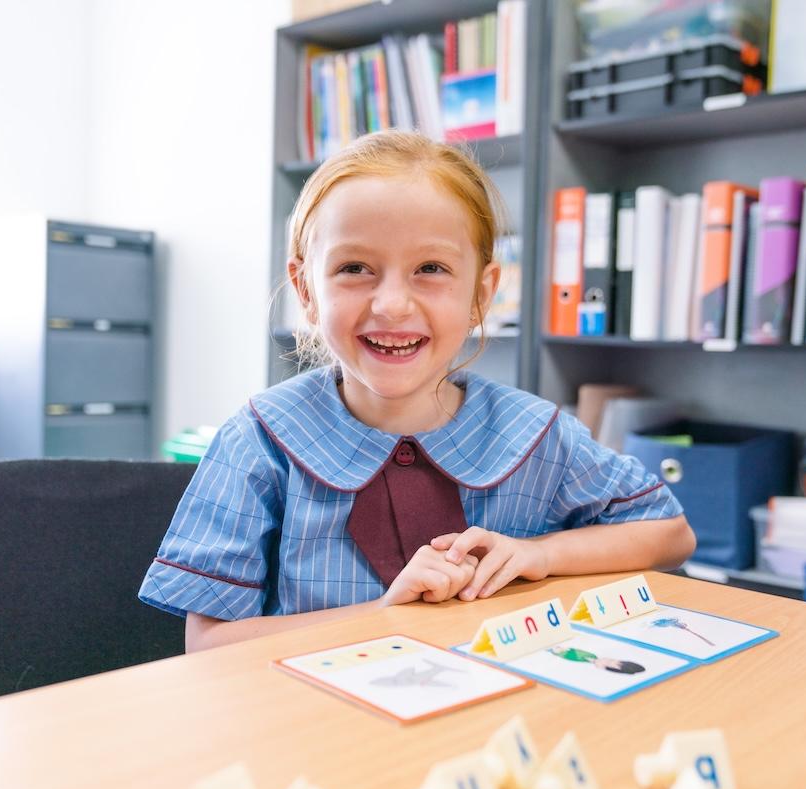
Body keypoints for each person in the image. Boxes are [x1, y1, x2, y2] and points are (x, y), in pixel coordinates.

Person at [139, 130, 695, 652]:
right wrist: (381, 616)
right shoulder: (258, 440)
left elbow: (670, 534)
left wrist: (539, 554)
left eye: (430, 268)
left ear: (482, 293)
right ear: (307, 290)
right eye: (355, 268)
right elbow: (208, 644)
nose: (392, 305)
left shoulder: (535, 433)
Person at [547, 644, 647, 675]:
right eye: (612, 659)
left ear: (603, 667)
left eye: (609, 662)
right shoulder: (592, 655)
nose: (608, 658)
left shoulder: (580, 665)